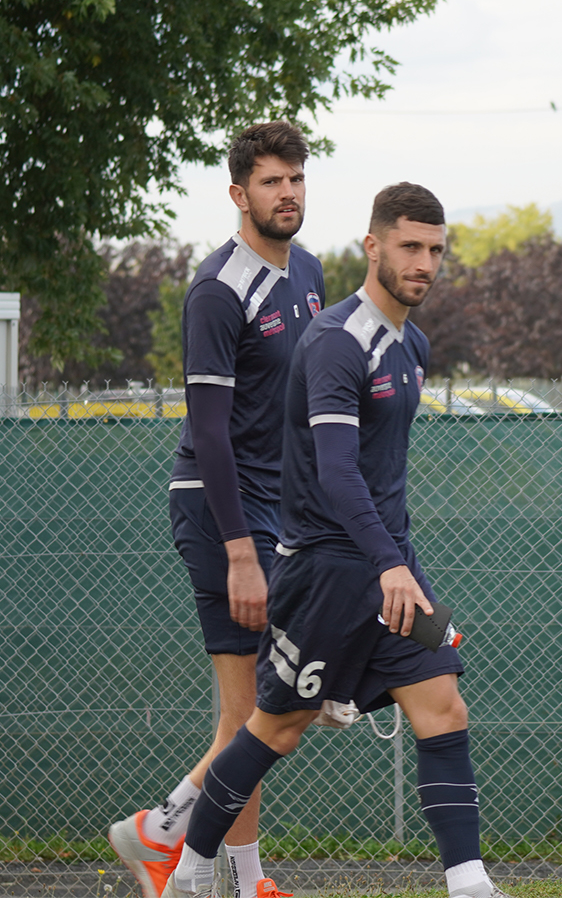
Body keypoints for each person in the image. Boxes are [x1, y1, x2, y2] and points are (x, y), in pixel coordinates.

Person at [160, 182, 511, 898]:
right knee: (273, 730)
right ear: (373, 246)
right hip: (321, 574)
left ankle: (469, 884)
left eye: (437, 250)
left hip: (386, 571)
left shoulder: (414, 345)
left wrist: (409, 575)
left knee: (443, 704)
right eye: (410, 246)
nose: (425, 263)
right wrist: (391, 565)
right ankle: (193, 870)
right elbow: (336, 470)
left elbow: (386, 484)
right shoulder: (334, 341)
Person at [108, 121, 324, 898]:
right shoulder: (218, 288)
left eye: (296, 177)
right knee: (266, 712)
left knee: (257, 715)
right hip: (219, 508)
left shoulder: (309, 274)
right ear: (239, 194)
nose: (288, 192)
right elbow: (207, 430)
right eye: (271, 181)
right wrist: (239, 547)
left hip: (281, 511)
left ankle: (228, 868)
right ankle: (162, 835)